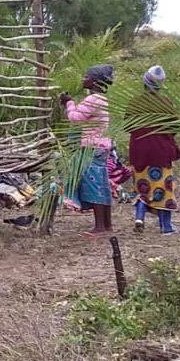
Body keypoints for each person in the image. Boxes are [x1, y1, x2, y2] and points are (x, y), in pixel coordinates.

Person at [125, 65, 180, 235]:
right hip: (161, 153)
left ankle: (139, 217)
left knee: (142, 187)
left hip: (139, 152)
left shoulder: (135, 103)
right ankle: (166, 227)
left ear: (144, 82)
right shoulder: (166, 103)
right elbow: (174, 127)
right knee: (163, 188)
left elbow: (128, 126)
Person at [59, 64, 115, 237]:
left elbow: (75, 118)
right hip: (102, 146)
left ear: (94, 81)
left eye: (86, 77)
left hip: (91, 147)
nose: (84, 79)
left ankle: (99, 227)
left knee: (94, 184)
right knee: (102, 184)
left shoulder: (93, 100)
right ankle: (106, 224)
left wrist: (68, 103)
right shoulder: (102, 99)